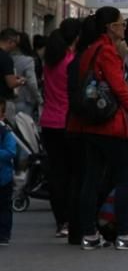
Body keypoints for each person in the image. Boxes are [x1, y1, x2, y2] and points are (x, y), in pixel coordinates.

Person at [68, 7, 128, 251]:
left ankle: (89, 234)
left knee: (91, 178)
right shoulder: (108, 52)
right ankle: (124, 234)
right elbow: (119, 87)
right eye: (121, 24)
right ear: (110, 27)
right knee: (124, 178)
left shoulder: (89, 50)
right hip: (110, 123)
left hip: (89, 122)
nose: (125, 27)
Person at [40, 20, 81, 238]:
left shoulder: (50, 62)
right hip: (67, 120)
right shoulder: (71, 62)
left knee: (56, 173)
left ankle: (61, 222)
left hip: (48, 121)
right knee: (72, 172)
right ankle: (71, 217)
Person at [11, 32, 41, 119]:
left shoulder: (7, 57)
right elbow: (32, 83)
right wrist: (39, 99)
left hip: (9, 101)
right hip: (25, 100)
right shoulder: (28, 60)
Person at [0, 101, 17, 246]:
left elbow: (11, 151)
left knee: (4, 207)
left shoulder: (5, 132)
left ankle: (4, 234)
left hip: (3, 177)